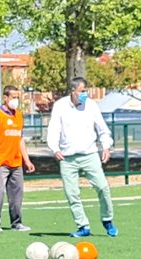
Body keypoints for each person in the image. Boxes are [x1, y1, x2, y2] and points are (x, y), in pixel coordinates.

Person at [47, 77, 118, 238]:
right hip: (67, 158)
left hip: (89, 154)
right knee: (72, 193)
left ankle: (107, 219)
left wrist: (106, 146)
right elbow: (54, 129)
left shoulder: (92, 105)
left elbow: (102, 128)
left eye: (86, 91)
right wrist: (55, 148)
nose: (85, 94)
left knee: (102, 187)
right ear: (73, 91)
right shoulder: (60, 106)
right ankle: (83, 226)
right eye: (82, 91)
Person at [0, 85, 36, 233]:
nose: (15, 101)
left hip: (16, 162)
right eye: (13, 97)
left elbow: (20, 139)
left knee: (17, 195)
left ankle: (17, 222)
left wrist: (27, 160)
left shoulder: (19, 115)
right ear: (5, 98)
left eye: (17, 98)